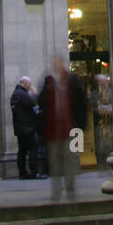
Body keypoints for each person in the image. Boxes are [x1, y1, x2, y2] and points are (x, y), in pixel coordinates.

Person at [37, 54, 88, 199]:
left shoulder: (72, 80)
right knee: (54, 162)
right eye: (53, 62)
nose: (56, 65)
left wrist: (81, 126)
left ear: (62, 63)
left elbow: (81, 103)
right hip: (52, 130)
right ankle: (57, 190)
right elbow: (41, 102)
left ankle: (70, 187)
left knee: (71, 158)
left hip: (71, 128)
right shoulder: (48, 82)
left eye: (57, 62)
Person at [10, 75, 39, 179]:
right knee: (32, 148)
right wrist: (35, 93)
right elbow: (33, 103)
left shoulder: (15, 94)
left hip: (20, 128)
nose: (29, 87)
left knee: (22, 150)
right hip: (27, 127)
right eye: (29, 85)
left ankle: (22, 173)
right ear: (25, 84)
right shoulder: (21, 93)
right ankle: (33, 172)